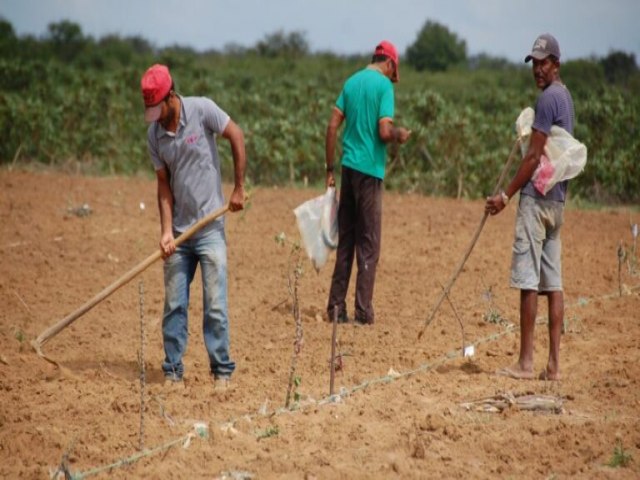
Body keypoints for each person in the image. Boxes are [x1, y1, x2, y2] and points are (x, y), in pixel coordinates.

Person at [140, 64, 246, 389]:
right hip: (180, 234)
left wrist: (238, 187)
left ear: (171, 96)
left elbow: (236, 135)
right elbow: (163, 186)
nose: (156, 116)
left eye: (159, 108)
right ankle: (173, 370)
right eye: (151, 111)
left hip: (210, 225)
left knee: (215, 303)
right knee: (174, 305)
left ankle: (222, 371)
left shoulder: (202, 110)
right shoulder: (154, 135)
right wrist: (166, 231)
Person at [485, 33, 575, 381]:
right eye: (534, 63)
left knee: (529, 281)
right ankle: (552, 365)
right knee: (553, 283)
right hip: (557, 202)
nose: (538, 69)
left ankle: (525, 363)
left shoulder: (547, 101)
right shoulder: (565, 97)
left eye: (543, 62)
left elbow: (535, 157)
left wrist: (505, 196)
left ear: (556, 63)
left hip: (537, 200)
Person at [325, 41, 411, 325]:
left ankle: (336, 308)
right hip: (370, 173)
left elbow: (332, 126)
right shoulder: (384, 86)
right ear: (389, 64)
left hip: (348, 169)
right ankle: (363, 313)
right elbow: (383, 131)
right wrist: (398, 134)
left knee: (346, 240)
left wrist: (329, 168)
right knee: (369, 244)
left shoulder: (351, 82)